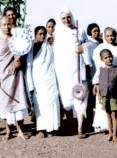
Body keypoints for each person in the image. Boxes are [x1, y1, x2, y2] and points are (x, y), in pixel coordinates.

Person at [0, 16, 30, 140]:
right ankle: (8, 131)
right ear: (0, 26)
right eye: (4, 25)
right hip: (3, 75)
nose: (7, 27)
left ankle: (20, 130)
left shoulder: (17, 39)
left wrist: (19, 61)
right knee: (5, 102)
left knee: (18, 99)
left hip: (16, 74)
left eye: (9, 24)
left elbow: (23, 51)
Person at [54, 8, 88, 139]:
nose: (66, 20)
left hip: (78, 69)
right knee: (67, 99)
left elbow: (87, 45)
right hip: (64, 71)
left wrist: (82, 48)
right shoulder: (58, 33)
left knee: (80, 97)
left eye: (68, 17)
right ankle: (70, 127)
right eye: (63, 18)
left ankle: (80, 128)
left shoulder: (79, 31)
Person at [26, 26, 60, 138]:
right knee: (39, 105)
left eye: (44, 34)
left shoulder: (50, 47)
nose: (42, 36)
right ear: (35, 35)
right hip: (38, 81)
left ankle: (51, 129)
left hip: (50, 80)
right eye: (40, 34)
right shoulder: (32, 48)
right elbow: (29, 67)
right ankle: (41, 129)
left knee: (51, 103)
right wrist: (30, 85)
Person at [91, 27, 117, 132]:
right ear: (104, 36)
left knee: (116, 112)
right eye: (108, 36)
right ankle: (107, 129)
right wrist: (96, 86)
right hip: (104, 87)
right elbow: (97, 71)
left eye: (112, 35)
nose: (110, 38)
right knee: (106, 112)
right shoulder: (99, 49)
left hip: (116, 85)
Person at [95, 49, 117, 142]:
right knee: (107, 115)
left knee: (114, 115)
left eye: (110, 57)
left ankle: (115, 135)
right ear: (102, 59)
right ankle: (110, 134)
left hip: (114, 96)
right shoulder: (100, 70)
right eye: (106, 58)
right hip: (105, 96)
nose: (108, 59)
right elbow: (97, 83)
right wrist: (99, 96)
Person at [82, 23, 101, 131]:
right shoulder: (87, 44)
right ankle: (89, 123)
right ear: (90, 32)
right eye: (94, 31)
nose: (96, 33)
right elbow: (87, 61)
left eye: (97, 30)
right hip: (91, 75)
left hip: (100, 74)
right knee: (90, 101)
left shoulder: (100, 43)